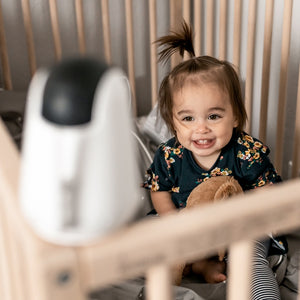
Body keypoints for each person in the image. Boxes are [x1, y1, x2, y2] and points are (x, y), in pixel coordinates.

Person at [143, 21, 287, 299]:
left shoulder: (246, 151)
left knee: (250, 257)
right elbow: (158, 189)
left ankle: (249, 283)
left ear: (234, 116)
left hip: (236, 228)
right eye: (188, 118)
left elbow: (266, 192)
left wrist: (239, 216)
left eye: (213, 116)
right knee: (149, 237)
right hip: (188, 224)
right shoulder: (170, 154)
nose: (201, 128)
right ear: (173, 123)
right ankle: (202, 263)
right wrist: (173, 220)